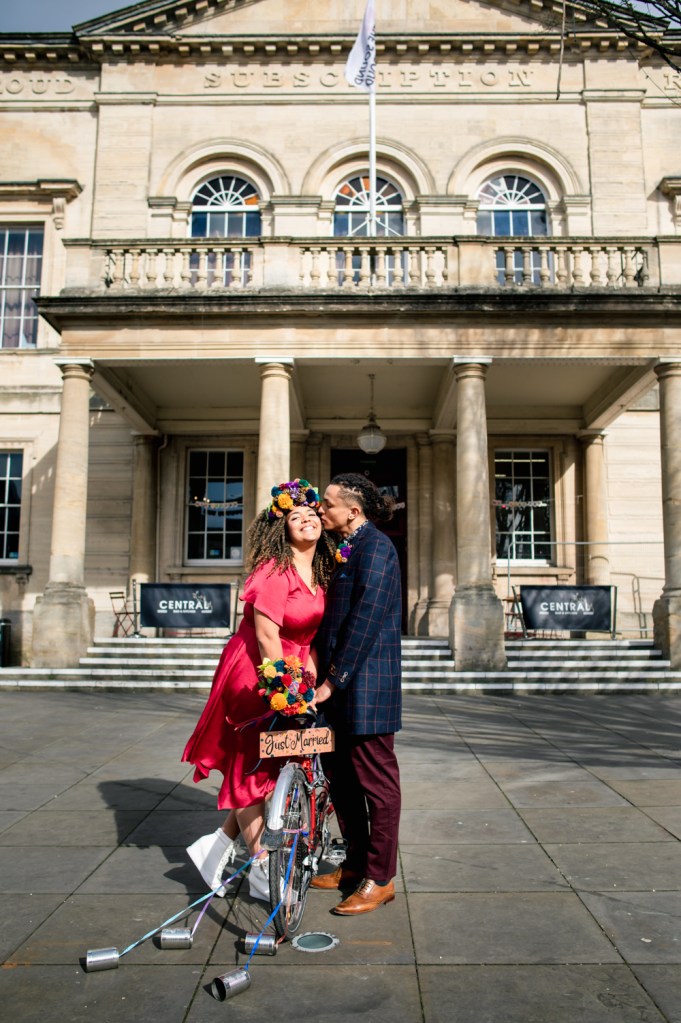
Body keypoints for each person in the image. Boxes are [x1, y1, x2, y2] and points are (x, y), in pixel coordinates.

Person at [182, 479, 336, 901]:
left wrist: (311, 680)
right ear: (281, 528)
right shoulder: (274, 569)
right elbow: (268, 638)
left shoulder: (321, 570)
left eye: (311, 514)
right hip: (256, 670)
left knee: (275, 763)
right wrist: (287, 685)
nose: (306, 519)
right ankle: (261, 868)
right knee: (253, 764)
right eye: (294, 516)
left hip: (293, 667)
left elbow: (310, 638)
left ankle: (213, 849)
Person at [312, 472, 402, 915]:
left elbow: (365, 620)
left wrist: (331, 680)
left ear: (353, 510)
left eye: (327, 503)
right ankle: (353, 865)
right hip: (338, 687)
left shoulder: (378, 547)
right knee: (342, 782)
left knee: (377, 786)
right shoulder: (344, 547)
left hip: (365, 687)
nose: (319, 508)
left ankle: (380, 878)